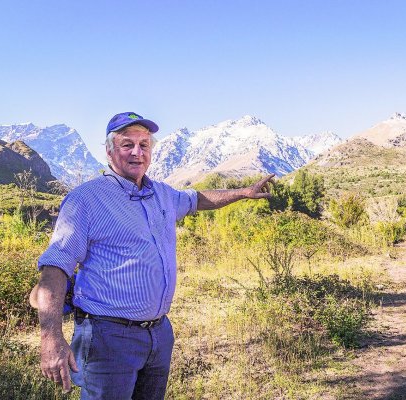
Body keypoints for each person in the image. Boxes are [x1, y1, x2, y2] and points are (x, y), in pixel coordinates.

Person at [34, 111, 273, 399]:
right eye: (127, 144)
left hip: (158, 334)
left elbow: (197, 199)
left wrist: (243, 192)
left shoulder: (161, 194)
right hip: (108, 337)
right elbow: (55, 268)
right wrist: (51, 339)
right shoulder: (86, 200)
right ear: (109, 150)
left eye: (144, 145)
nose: (137, 152)